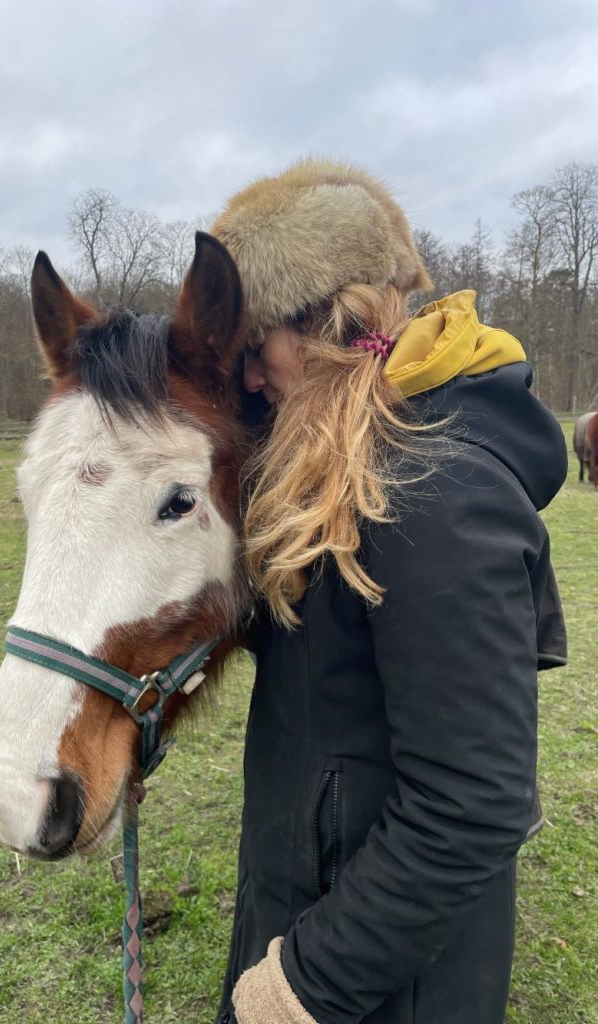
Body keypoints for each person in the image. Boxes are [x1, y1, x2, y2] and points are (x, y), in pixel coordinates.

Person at [207, 160, 568, 1024]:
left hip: (383, 980)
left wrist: (307, 983)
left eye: (258, 348)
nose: (251, 379)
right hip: (305, 908)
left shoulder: (439, 493)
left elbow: (473, 804)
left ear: (332, 321)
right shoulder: (335, 473)